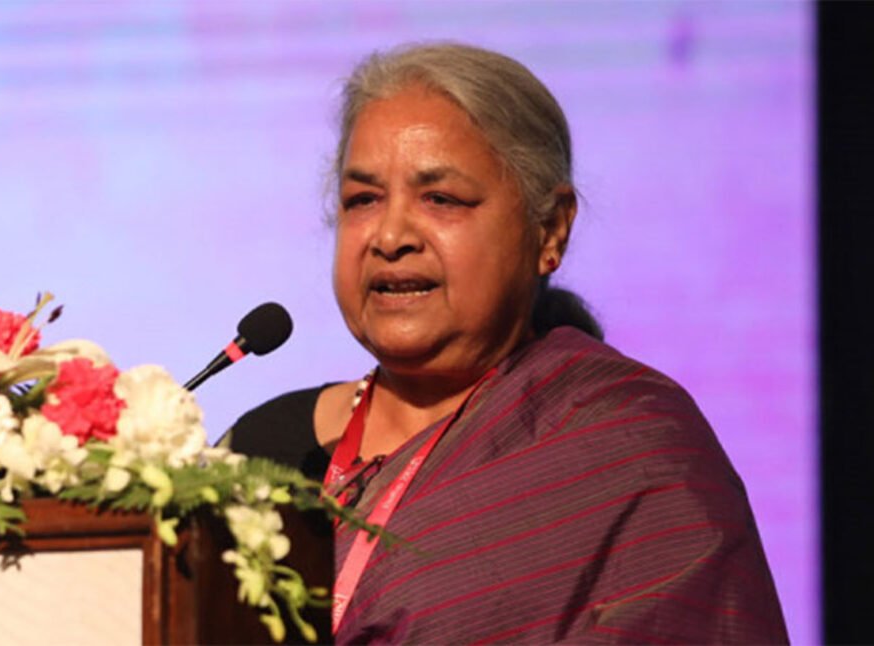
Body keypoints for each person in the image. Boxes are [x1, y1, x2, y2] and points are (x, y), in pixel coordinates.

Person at [229, 42, 788, 644]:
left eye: (441, 199)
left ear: (550, 230)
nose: (390, 236)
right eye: (363, 200)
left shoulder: (632, 451)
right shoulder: (267, 447)